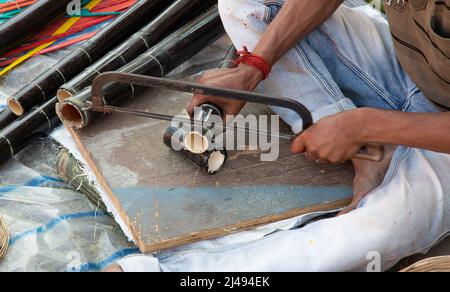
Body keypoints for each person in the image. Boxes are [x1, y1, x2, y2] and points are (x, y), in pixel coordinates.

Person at [106, 0, 450, 272]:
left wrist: (365, 125)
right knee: (244, 3)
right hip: (405, 68)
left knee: (383, 232)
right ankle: (354, 141)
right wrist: (253, 69)